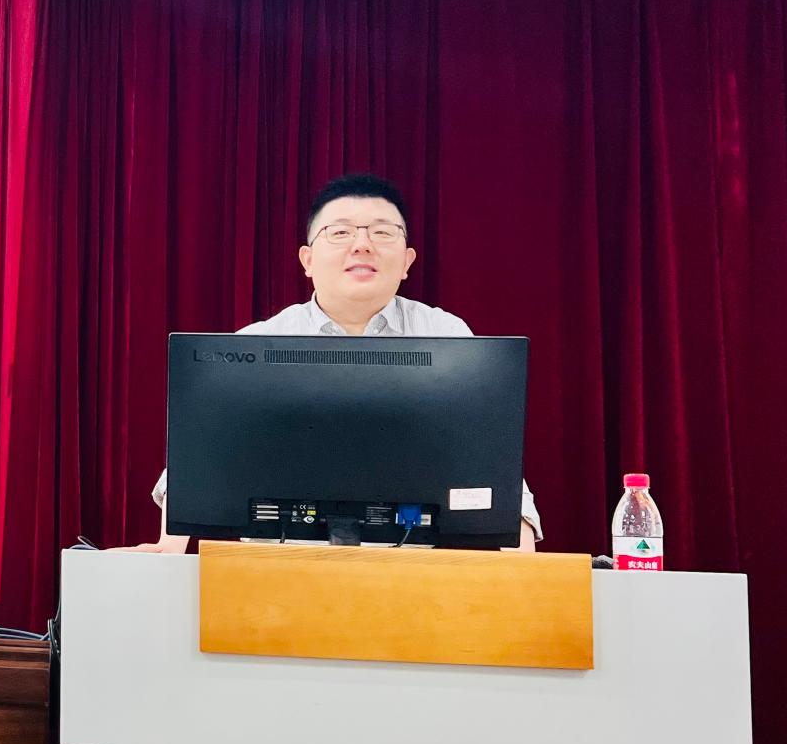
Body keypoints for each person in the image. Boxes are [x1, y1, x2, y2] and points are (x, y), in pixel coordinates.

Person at [138, 172, 541, 552]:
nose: (362, 245)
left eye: (382, 232)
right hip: (278, 572)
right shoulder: (257, 343)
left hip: (413, 572)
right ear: (307, 260)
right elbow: (199, 458)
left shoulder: (447, 335)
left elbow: (489, 456)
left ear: (407, 262)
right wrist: (167, 548)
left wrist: (521, 556)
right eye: (341, 232)